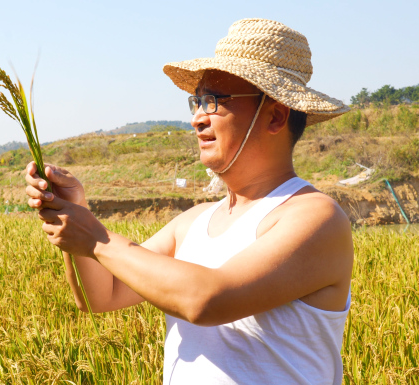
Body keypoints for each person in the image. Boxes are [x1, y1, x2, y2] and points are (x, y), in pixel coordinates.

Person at [25, 18, 354, 384]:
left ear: (275, 115)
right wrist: (74, 210)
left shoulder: (314, 216)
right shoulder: (194, 221)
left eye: (213, 101)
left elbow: (208, 299)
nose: (197, 118)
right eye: (196, 101)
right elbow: (102, 295)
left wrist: (97, 240)